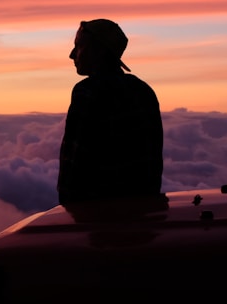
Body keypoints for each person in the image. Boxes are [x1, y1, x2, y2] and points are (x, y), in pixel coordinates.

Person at [57, 19, 163, 204]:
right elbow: (152, 161)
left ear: (99, 51)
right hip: (143, 210)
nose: (72, 55)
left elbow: (75, 163)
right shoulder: (143, 90)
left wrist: (69, 210)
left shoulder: (88, 91)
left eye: (79, 46)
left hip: (99, 215)